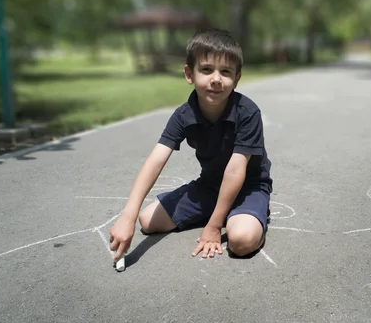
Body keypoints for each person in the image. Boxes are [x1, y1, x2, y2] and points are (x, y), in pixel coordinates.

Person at [108, 28, 273, 263]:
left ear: (236, 78)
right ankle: (225, 211)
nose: (216, 79)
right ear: (189, 74)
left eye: (225, 72)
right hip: (210, 186)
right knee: (147, 221)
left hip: (249, 187)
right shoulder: (183, 115)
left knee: (241, 241)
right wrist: (127, 216)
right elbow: (155, 160)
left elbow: (236, 169)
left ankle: (243, 215)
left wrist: (214, 226)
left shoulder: (247, 113)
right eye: (206, 70)